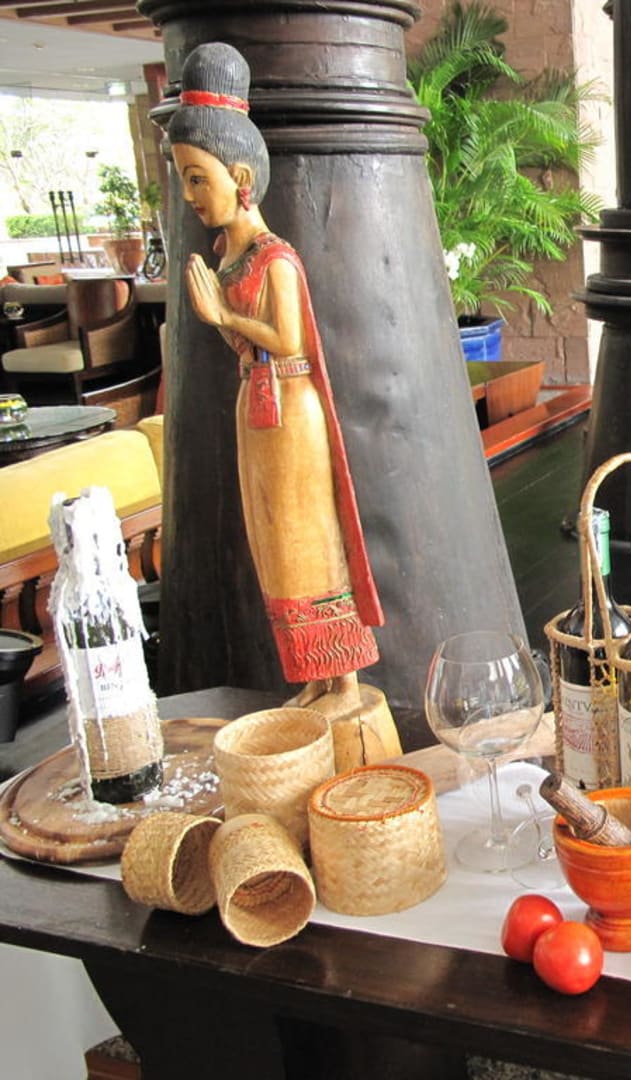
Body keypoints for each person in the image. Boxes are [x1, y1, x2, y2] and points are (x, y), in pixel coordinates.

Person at [168, 42, 383, 714]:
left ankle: (344, 678)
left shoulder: (275, 259)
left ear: (239, 176)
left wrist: (220, 314)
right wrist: (226, 321)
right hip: (256, 405)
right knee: (275, 546)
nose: (190, 196)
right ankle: (313, 674)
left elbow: (289, 340)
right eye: (184, 180)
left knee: (308, 538)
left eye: (198, 179)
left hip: (291, 409)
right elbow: (246, 341)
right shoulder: (227, 257)